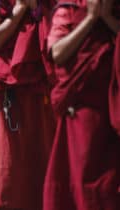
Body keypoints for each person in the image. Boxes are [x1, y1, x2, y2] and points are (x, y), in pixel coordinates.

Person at [0, 0, 56, 209]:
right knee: (7, 160)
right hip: (3, 82)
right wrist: (21, 9)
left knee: (38, 152)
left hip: (37, 79)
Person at [44, 0, 120, 210]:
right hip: (82, 112)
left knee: (109, 183)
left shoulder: (113, 11)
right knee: (81, 175)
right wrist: (89, 19)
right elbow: (57, 53)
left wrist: (107, 18)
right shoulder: (68, 10)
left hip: (112, 107)